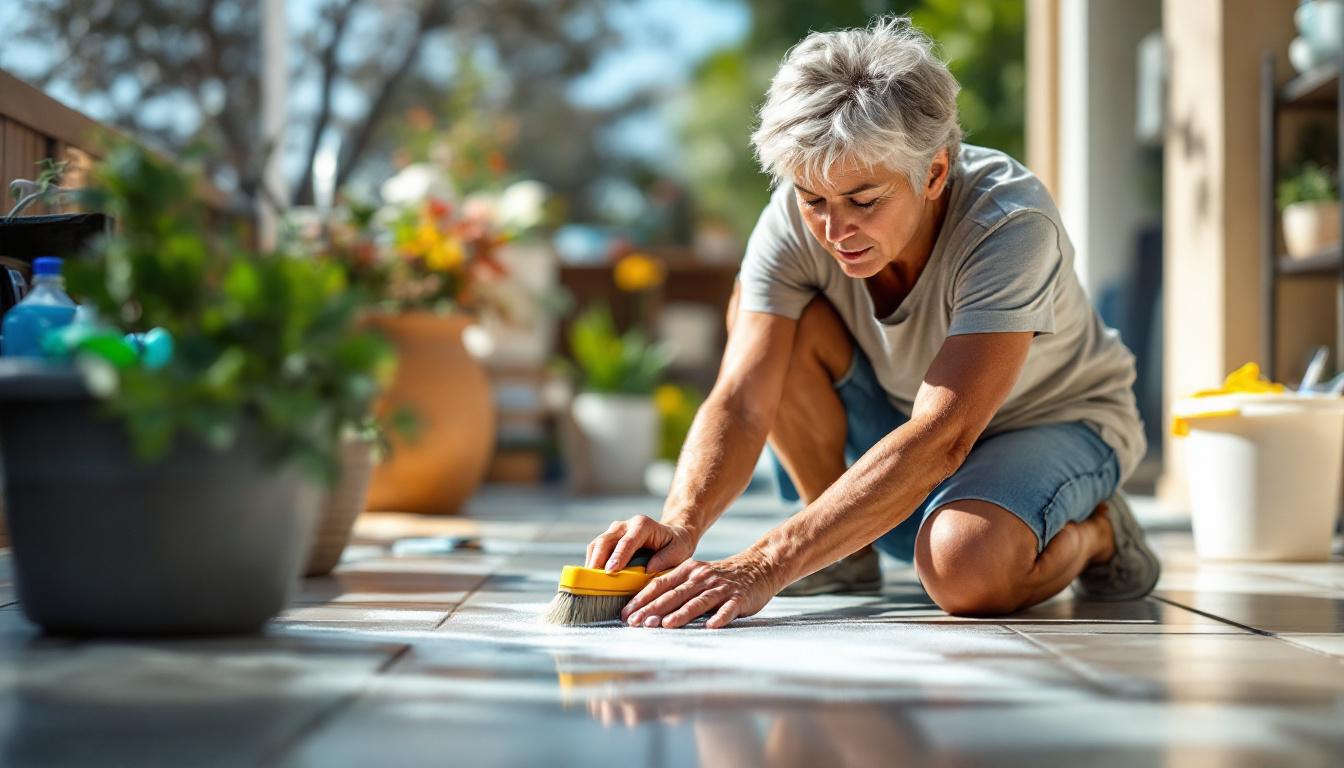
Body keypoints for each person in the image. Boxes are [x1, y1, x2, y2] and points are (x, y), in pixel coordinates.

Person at [584, 15, 1157, 629]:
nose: (835, 230)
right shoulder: (790, 219)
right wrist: (680, 524)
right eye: (814, 200)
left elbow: (945, 434)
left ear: (933, 173)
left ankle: (1099, 532)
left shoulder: (1009, 223)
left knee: (965, 567)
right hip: (903, 419)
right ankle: (843, 553)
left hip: (1053, 421)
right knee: (779, 325)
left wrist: (767, 563)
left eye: (864, 200)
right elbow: (744, 397)